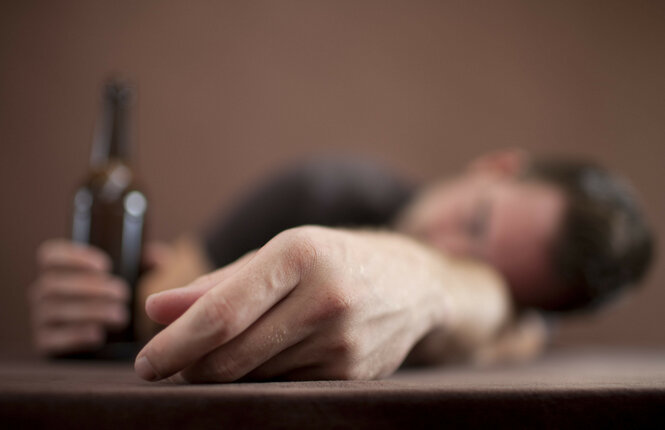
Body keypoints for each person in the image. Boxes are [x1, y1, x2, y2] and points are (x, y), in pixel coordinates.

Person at [28, 149, 654, 382]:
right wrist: (95, 304)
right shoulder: (320, 193)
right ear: (494, 166)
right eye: (477, 222)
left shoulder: (520, 327)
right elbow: (158, 307)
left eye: (501, 276)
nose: (451, 246)